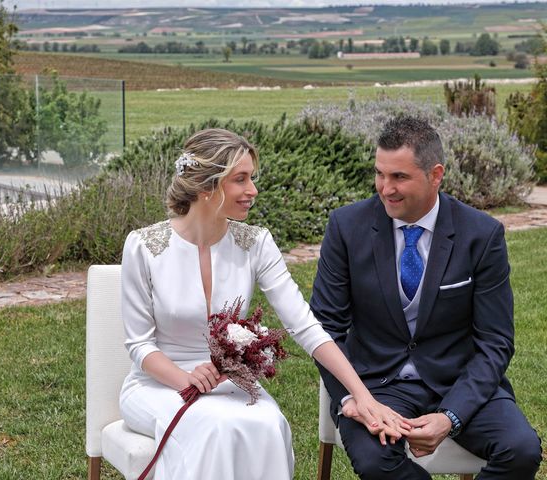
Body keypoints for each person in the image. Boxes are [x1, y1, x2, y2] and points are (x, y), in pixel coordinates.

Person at [119, 128, 407, 480]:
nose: (252, 191)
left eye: (252, 178)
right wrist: (186, 379)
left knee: (270, 423)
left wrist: (361, 395)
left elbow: (304, 325)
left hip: (228, 384)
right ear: (208, 186)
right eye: (241, 179)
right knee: (215, 427)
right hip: (157, 385)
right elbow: (139, 345)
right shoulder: (144, 246)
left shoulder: (255, 243)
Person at [310, 115, 542, 479]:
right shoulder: (346, 227)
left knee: (522, 450)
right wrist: (352, 399)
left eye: (399, 177)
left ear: (436, 175)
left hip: (458, 380)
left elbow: (496, 341)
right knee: (375, 461)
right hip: (376, 385)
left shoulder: (481, 234)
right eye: (380, 174)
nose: (386, 188)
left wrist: (451, 416)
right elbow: (323, 330)